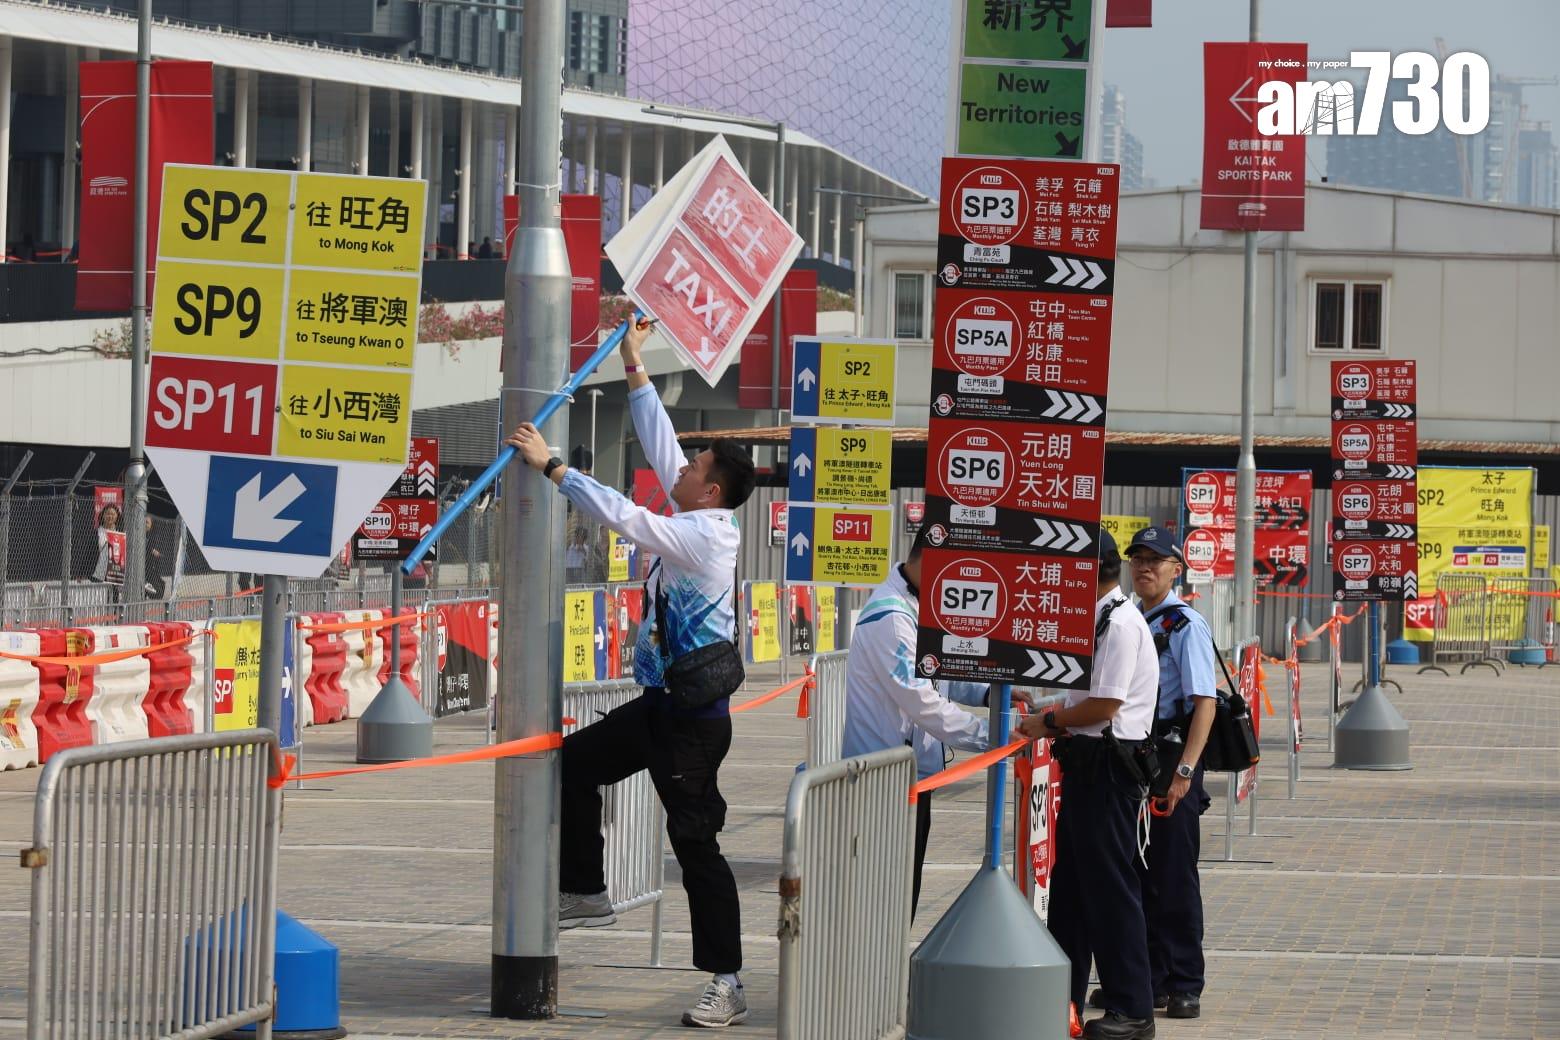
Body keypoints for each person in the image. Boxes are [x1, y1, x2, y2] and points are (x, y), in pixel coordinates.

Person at [504, 315, 757, 1029]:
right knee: (572, 764)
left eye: (695, 469)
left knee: (696, 848)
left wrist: (553, 467)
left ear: (711, 492)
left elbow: (625, 518)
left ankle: (728, 982)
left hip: (692, 726)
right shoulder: (699, 514)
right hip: (658, 708)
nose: (681, 469)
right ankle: (586, 889)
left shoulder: (704, 537)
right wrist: (635, 364)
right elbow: (662, 443)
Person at [841, 527, 1032, 914]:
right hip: (884, 782)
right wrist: (990, 737)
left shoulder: (921, 605)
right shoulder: (891, 618)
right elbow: (921, 700)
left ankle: (893, 953)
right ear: (930, 560)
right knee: (883, 896)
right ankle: (885, 955)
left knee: (902, 889)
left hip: (911, 775)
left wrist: (987, 694)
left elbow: (937, 675)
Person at [1018, 529, 1158, 1040]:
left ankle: (1133, 1008)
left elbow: (1105, 706)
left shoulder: (1119, 624)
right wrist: (1051, 711)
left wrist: (1048, 723)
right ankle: (1064, 998)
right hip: (1087, 764)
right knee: (1072, 891)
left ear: (1089, 572)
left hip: (1109, 767)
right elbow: (1086, 697)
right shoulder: (1101, 618)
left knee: (1111, 890)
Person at [1113, 525, 1217, 1021]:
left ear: (1176, 569)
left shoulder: (1184, 625)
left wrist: (1185, 773)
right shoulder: (1130, 618)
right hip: (1135, 755)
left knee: (1174, 874)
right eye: (1137, 559)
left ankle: (1184, 982)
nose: (1144, 567)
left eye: (1154, 560)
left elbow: (1204, 704)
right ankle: (1151, 979)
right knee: (1139, 870)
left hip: (1174, 757)